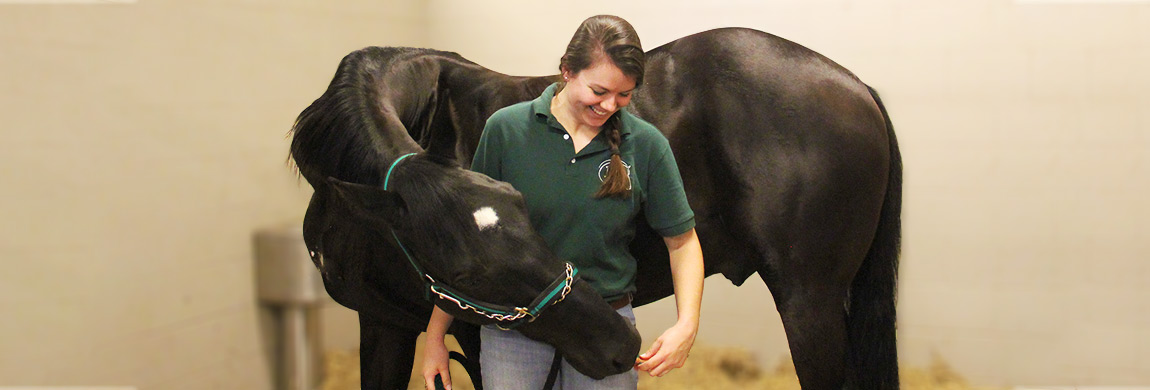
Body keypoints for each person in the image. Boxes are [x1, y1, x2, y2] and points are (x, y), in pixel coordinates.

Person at [422, 15, 704, 389]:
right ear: (567, 70)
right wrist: (435, 336)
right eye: (599, 91)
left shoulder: (648, 145)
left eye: (624, 95)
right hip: (515, 331)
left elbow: (682, 241)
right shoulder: (506, 131)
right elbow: (472, 244)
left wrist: (687, 325)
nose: (610, 106)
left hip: (604, 328)